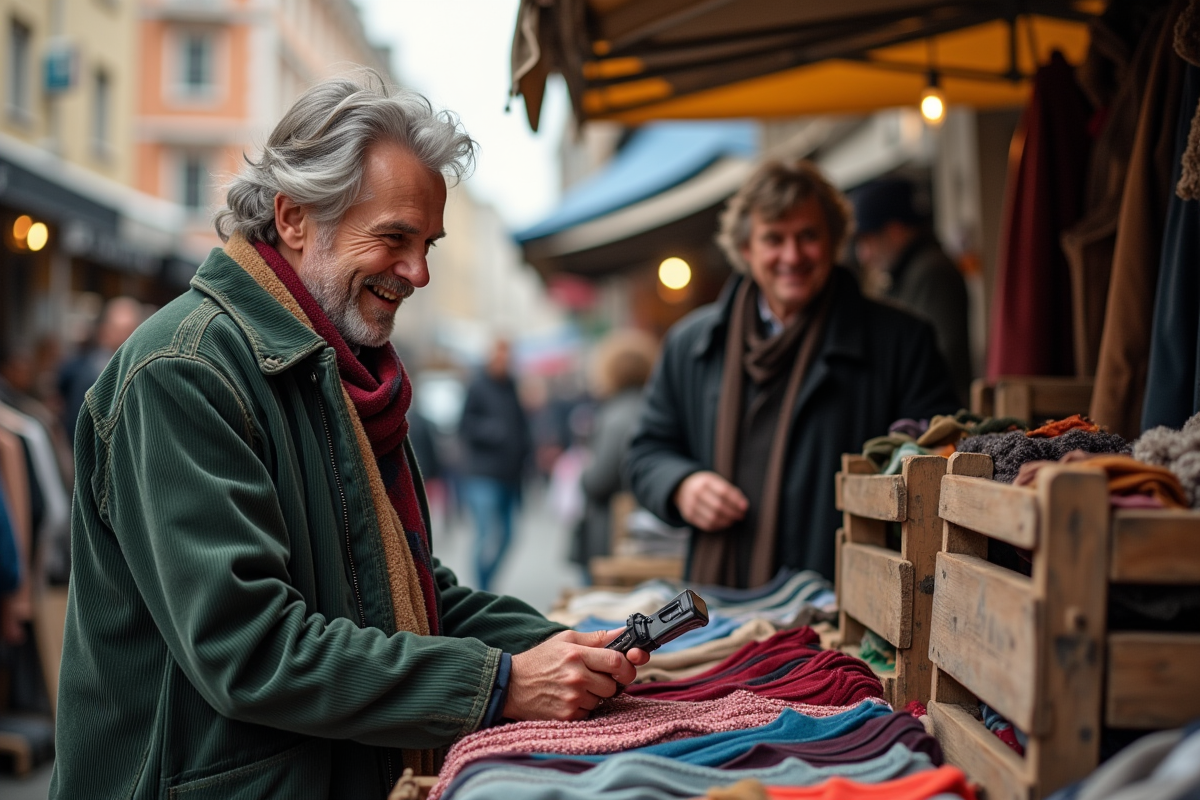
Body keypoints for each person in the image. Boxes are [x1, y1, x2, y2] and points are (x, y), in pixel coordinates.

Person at [51, 74, 647, 800]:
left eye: (427, 242)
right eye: (395, 237)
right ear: (294, 217)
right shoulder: (184, 371)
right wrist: (501, 683)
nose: (419, 271)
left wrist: (570, 646)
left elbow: (408, 595)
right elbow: (250, 649)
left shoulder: (336, 367)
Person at [625, 160, 959, 589]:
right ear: (746, 249)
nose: (793, 255)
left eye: (808, 236)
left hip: (848, 601)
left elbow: (937, 457)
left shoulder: (903, 340)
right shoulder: (688, 344)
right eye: (774, 239)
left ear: (835, 241)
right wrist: (682, 485)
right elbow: (646, 453)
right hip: (719, 603)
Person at [851, 177, 972, 404]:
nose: (863, 255)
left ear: (895, 231)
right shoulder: (910, 271)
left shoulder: (931, 271)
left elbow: (942, 357)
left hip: (935, 415)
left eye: (868, 241)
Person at [572, 329, 659, 574]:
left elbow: (599, 480)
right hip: (646, 530)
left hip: (612, 533)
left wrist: (582, 474)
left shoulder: (616, 416)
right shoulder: (650, 408)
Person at [457, 337, 532, 591]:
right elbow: (465, 426)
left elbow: (521, 426)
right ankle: (482, 588)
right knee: (486, 534)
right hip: (483, 475)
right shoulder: (478, 386)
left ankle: (487, 584)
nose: (505, 360)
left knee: (509, 537)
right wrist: (495, 432)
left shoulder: (512, 386)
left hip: (511, 476)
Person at [56, 295, 143, 442]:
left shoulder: (139, 368)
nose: (126, 336)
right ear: (105, 331)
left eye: (131, 329)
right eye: (120, 329)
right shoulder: (92, 373)